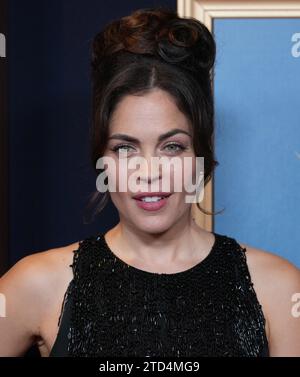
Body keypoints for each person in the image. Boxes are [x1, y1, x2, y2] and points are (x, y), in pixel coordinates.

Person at [0, 7, 299, 357]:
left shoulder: (279, 290)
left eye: (172, 146)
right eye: (125, 147)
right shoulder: (36, 283)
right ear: (102, 158)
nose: (149, 171)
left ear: (200, 153)